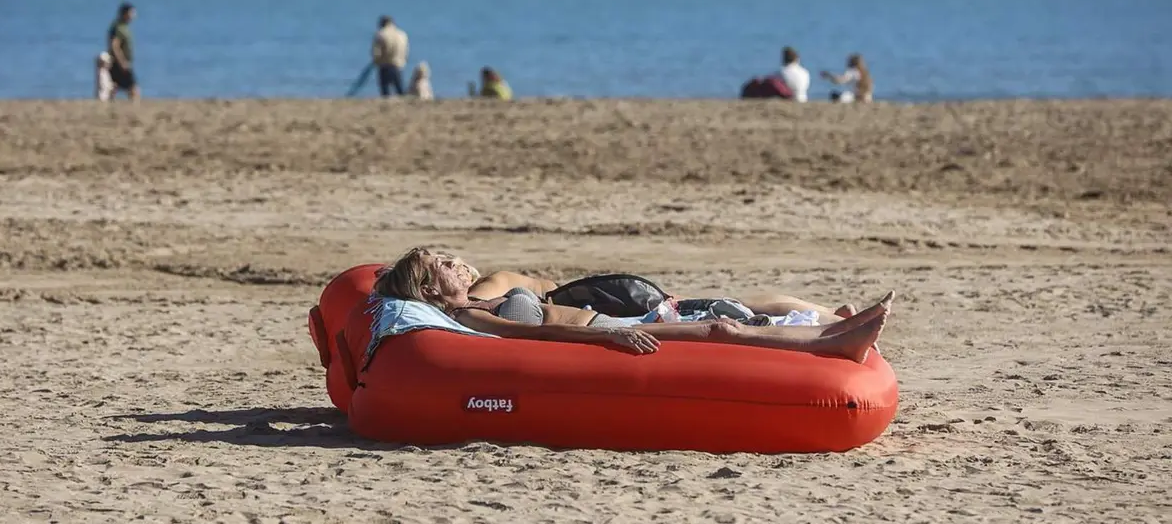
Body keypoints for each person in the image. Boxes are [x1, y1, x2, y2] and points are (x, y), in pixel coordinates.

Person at [373, 247, 890, 363]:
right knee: (719, 330)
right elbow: (535, 336)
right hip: (608, 327)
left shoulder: (474, 303)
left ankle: (833, 336)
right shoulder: (466, 315)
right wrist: (606, 334)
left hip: (616, 321)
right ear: (429, 289)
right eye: (440, 264)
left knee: (720, 324)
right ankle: (834, 344)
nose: (453, 262)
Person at [106, 2, 140, 101]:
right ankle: (134, 107)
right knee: (133, 88)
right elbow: (114, 46)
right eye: (131, 13)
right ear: (125, 14)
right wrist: (122, 62)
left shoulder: (124, 27)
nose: (133, 16)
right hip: (119, 62)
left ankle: (109, 105)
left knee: (115, 86)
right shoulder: (118, 27)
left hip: (121, 62)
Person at [371, 15, 409, 97]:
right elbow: (406, 51)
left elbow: (376, 53)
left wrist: (376, 61)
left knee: (385, 92)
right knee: (400, 90)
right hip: (398, 65)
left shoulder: (380, 34)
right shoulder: (402, 34)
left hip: (385, 66)